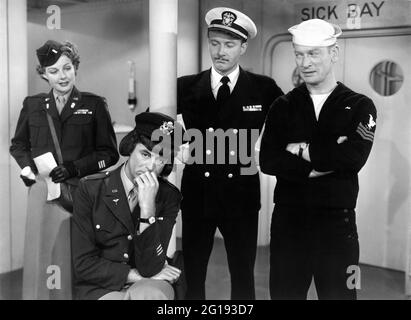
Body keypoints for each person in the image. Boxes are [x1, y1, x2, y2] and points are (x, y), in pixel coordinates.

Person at [260, 19, 377, 300]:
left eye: (313, 53)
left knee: (342, 296)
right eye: (299, 54)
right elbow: (268, 160)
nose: (305, 62)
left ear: (333, 53)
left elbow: (354, 157)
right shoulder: (283, 106)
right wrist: (323, 161)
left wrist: (301, 149)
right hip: (289, 222)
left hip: (338, 227)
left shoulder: (360, 106)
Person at [177, 7, 283, 300]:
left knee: (243, 277)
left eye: (229, 44)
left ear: (243, 47)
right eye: (214, 43)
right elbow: (156, 127)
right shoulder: (185, 87)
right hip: (198, 194)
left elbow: (290, 125)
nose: (220, 51)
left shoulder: (264, 89)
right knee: (193, 274)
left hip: (241, 197)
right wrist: (176, 145)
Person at [9, 40, 119, 299]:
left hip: (81, 195)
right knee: (43, 258)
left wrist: (73, 168)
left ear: (75, 68)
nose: (62, 76)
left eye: (67, 68)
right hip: (42, 195)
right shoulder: (32, 105)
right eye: (54, 71)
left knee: (78, 260)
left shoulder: (94, 105)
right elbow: (19, 145)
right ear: (44, 74)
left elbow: (109, 154)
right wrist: (27, 169)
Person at [71, 112, 184, 300]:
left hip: (149, 281)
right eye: (145, 154)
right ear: (131, 148)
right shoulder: (91, 189)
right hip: (101, 286)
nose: (150, 166)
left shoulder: (169, 197)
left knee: (153, 296)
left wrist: (147, 209)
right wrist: (132, 275)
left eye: (161, 158)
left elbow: (150, 267)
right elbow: (83, 264)